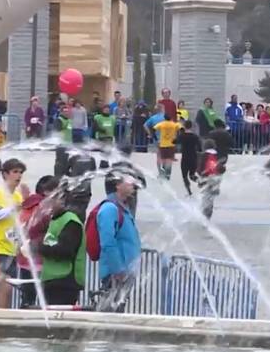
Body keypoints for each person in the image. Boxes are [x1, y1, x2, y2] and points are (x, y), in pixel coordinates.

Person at [0, 158, 28, 309]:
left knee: (8, 294)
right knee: (2, 290)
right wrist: (9, 210)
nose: (19, 176)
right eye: (15, 172)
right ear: (5, 174)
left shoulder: (18, 196)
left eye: (21, 172)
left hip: (11, 250)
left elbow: (17, 223)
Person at [97, 173, 142, 312]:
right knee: (110, 314)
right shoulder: (110, 209)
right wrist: (118, 270)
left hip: (124, 273)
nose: (133, 185)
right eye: (129, 182)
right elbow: (107, 242)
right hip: (115, 275)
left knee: (117, 311)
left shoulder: (123, 208)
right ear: (117, 185)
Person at [17, 175, 59, 308]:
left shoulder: (26, 208)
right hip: (41, 260)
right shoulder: (44, 209)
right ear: (47, 192)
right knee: (45, 302)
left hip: (24, 260)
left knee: (27, 300)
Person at [39, 188, 86, 306]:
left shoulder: (70, 222)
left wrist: (39, 248)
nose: (46, 204)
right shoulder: (54, 220)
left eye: (50, 199)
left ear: (61, 201)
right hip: (52, 279)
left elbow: (65, 250)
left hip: (64, 281)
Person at [198, 140, 225, 220]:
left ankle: (205, 213)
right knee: (211, 196)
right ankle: (209, 214)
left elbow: (200, 168)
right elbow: (222, 167)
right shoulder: (218, 155)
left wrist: (200, 177)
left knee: (206, 195)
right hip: (217, 178)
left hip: (207, 177)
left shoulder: (203, 155)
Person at [152, 114, 181, 180]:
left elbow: (153, 130)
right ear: (170, 118)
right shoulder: (174, 124)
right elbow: (181, 128)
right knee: (170, 159)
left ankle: (163, 171)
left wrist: (155, 138)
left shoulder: (161, 124)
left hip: (163, 144)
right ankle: (168, 173)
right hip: (171, 144)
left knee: (163, 159)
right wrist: (178, 138)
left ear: (164, 118)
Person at [178, 120, 201, 195]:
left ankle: (189, 192)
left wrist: (180, 132)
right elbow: (200, 148)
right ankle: (200, 182)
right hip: (193, 157)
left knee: (185, 176)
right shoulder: (195, 136)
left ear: (184, 126)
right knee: (192, 175)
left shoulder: (182, 136)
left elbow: (174, 141)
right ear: (191, 126)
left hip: (185, 157)